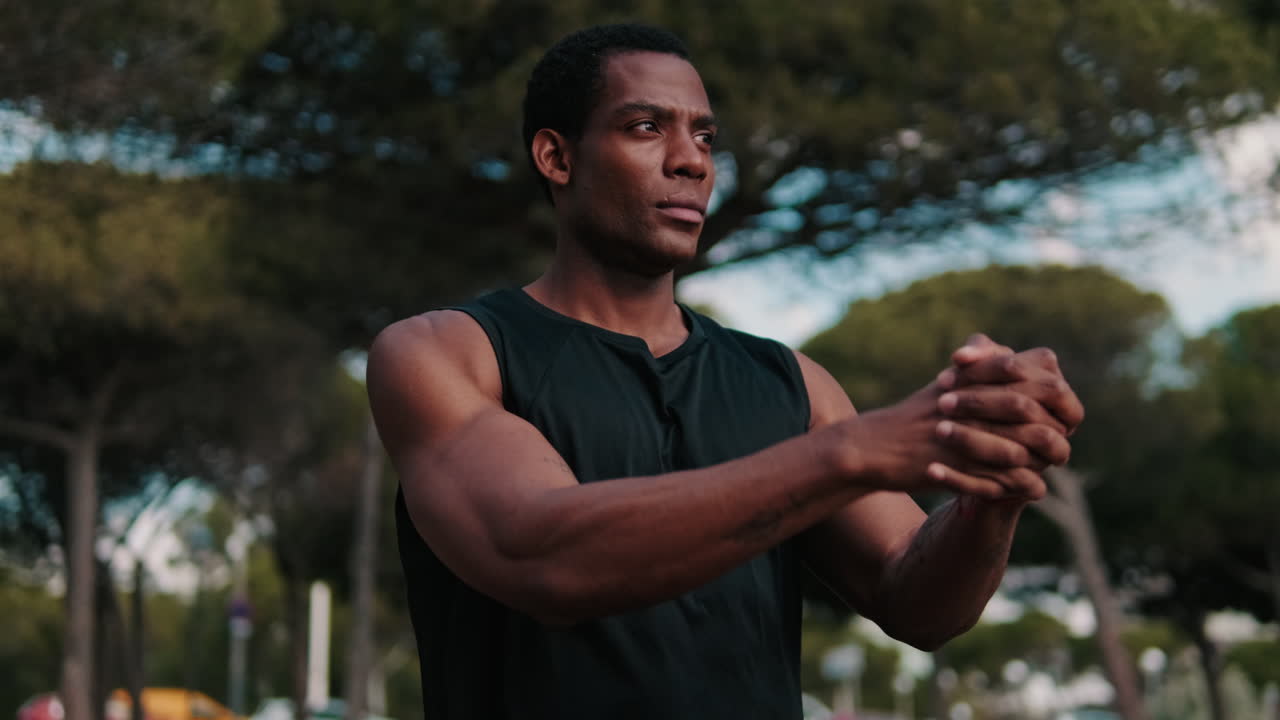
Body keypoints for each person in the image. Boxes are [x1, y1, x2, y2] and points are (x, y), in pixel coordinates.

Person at [367, 23, 1083, 720]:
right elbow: (542, 553)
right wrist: (850, 453)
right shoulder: (446, 353)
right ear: (557, 158)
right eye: (646, 127)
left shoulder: (789, 383)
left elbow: (918, 603)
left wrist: (992, 494)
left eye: (704, 136)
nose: (693, 161)